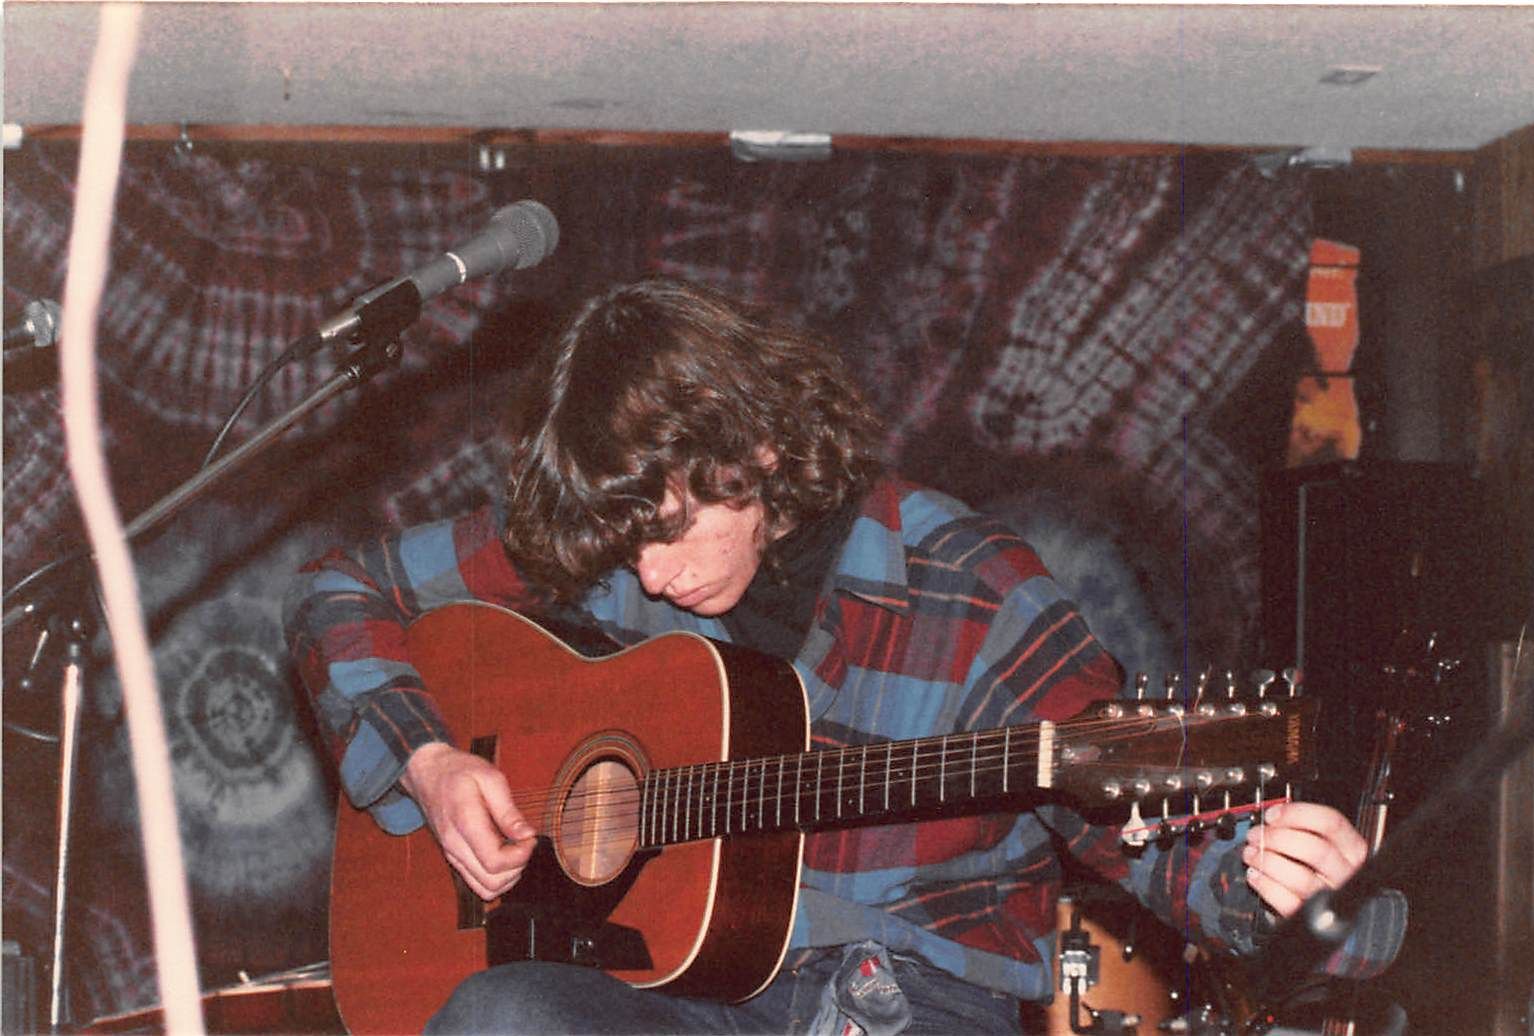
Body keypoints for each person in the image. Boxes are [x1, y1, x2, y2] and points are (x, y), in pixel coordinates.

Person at [285, 278, 1404, 1034]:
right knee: (500, 1014)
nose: (651, 574)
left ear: (760, 447)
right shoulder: (612, 532)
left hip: (905, 1001)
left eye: (672, 529)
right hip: (672, 996)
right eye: (626, 545)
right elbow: (339, 590)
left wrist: (1287, 891)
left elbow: (1149, 845)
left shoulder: (974, 587)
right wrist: (429, 762)